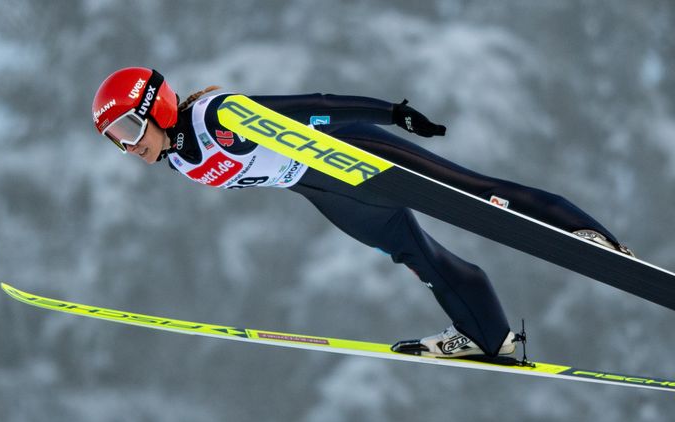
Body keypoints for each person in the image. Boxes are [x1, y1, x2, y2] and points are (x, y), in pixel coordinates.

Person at [92, 67, 633, 358]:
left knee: (471, 190)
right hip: (324, 191)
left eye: (130, 130)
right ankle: (487, 338)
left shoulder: (219, 118)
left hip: (355, 154)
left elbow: (311, 107)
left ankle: (590, 236)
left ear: (155, 107)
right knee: (414, 255)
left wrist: (393, 114)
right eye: (116, 140)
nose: (128, 146)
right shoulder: (177, 161)